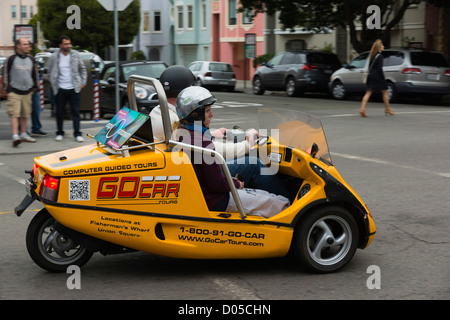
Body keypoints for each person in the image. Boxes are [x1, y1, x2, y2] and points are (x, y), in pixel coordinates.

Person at [150, 66, 290, 199]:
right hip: (200, 174)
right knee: (253, 164)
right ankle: (289, 201)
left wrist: (212, 133)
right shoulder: (172, 120)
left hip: (190, 167)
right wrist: (248, 145)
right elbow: (210, 150)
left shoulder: (159, 113)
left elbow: (197, 140)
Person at [173, 86, 290, 218]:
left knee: (266, 196)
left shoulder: (182, 134)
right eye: (208, 111)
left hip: (204, 195)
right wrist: (237, 183)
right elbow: (217, 184)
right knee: (279, 202)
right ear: (196, 114)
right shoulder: (202, 143)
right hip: (216, 199)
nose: (212, 115)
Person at [48, 35, 87, 142]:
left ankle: (77, 133)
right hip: (60, 89)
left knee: (75, 112)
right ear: (60, 45)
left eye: (69, 43)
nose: (68, 46)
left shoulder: (75, 55)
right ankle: (60, 132)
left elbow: (82, 69)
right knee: (60, 112)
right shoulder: (54, 57)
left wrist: (82, 82)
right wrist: (54, 84)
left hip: (74, 88)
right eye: (66, 44)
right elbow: (50, 71)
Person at [3, 37, 38, 146]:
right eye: (25, 44)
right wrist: (7, 88)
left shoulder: (31, 59)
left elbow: (34, 74)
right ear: (18, 46)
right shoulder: (11, 59)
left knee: (25, 114)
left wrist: (35, 88)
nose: (28, 46)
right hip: (14, 91)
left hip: (27, 91)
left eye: (28, 44)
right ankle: (15, 136)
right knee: (14, 113)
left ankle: (23, 133)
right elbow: (5, 74)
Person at [359, 39, 394, 117]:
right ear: (379, 47)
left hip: (370, 76)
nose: (383, 46)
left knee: (368, 93)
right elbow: (379, 69)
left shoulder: (372, 55)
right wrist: (383, 78)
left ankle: (362, 109)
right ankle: (387, 109)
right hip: (377, 77)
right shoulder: (380, 56)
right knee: (385, 92)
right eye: (382, 45)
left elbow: (370, 67)